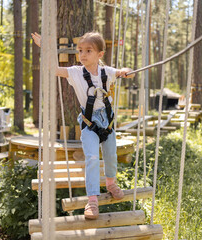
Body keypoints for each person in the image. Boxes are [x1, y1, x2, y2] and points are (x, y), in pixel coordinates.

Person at [31, 32, 135, 220]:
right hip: (89, 123)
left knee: (111, 155)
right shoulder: (75, 72)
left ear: (100, 54)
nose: (83, 55)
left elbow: (120, 72)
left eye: (88, 51)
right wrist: (45, 47)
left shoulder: (107, 72)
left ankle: (111, 183)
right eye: (81, 51)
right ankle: (92, 200)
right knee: (92, 157)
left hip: (108, 121)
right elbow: (53, 69)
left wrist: (126, 71)